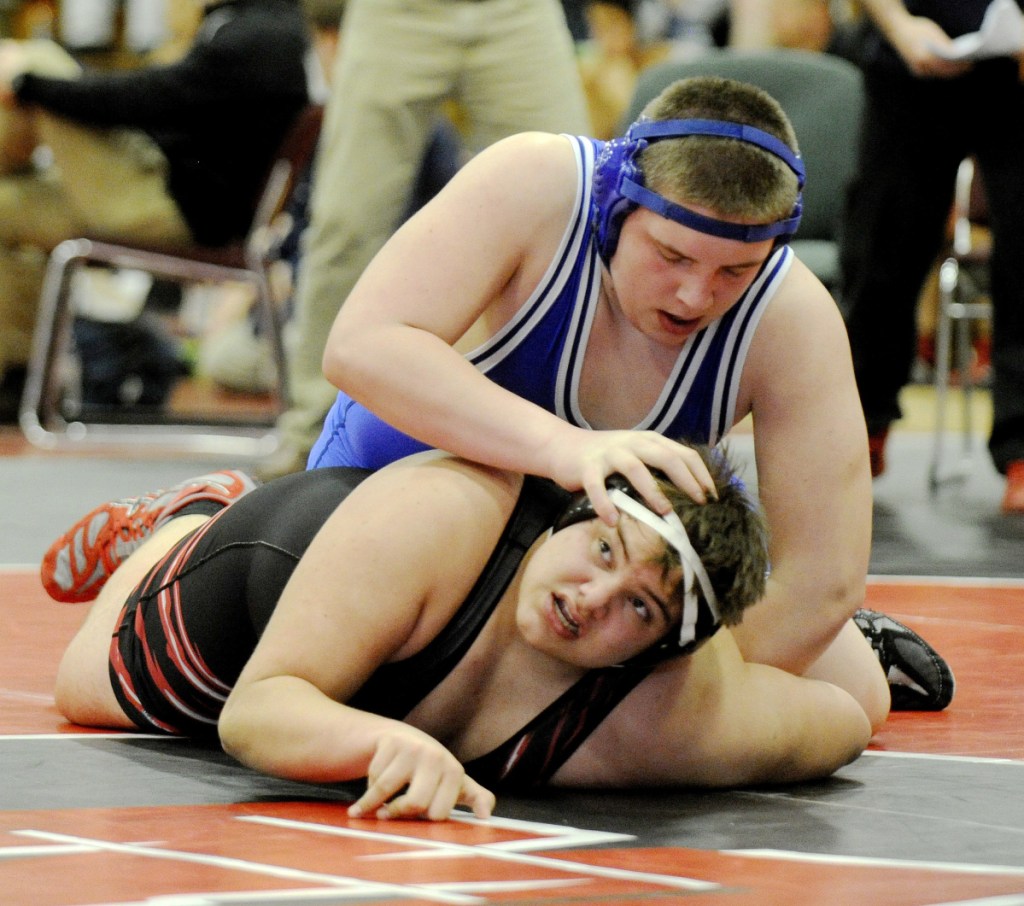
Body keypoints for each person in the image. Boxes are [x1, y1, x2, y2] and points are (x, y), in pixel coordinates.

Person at [308, 75, 958, 720]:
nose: (694, 297)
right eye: (672, 256)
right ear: (615, 206)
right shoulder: (535, 184)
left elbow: (824, 580)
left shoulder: (790, 315)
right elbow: (360, 346)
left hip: (608, 579)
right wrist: (563, 448)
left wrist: (626, 698)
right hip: (395, 504)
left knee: (856, 696)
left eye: (735, 271)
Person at [41, 446, 873, 821]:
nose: (591, 597)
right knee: (83, 687)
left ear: (662, 656)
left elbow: (843, 717)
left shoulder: (670, 719)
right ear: (574, 514)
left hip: (398, 625)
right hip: (283, 569)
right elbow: (255, 714)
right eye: (605, 548)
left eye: (640, 609)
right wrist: (386, 746)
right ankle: (189, 512)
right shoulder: (447, 516)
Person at [258, 0, 592, 481]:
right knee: (345, 226)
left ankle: (574, 425)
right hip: (396, 12)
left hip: (516, 11)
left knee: (575, 206)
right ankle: (310, 432)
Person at [0, 0, 310, 414]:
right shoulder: (256, 28)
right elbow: (158, 98)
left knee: (32, 59)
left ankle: (19, 379)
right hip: (166, 195)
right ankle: (17, 380)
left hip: (169, 211)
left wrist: (29, 85)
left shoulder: (259, 34)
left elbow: (149, 99)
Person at [839, 0, 1024, 512]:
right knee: (881, 250)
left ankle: (1022, 450)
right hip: (913, 55)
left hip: (1017, 71)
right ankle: (862, 428)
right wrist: (898, 25)